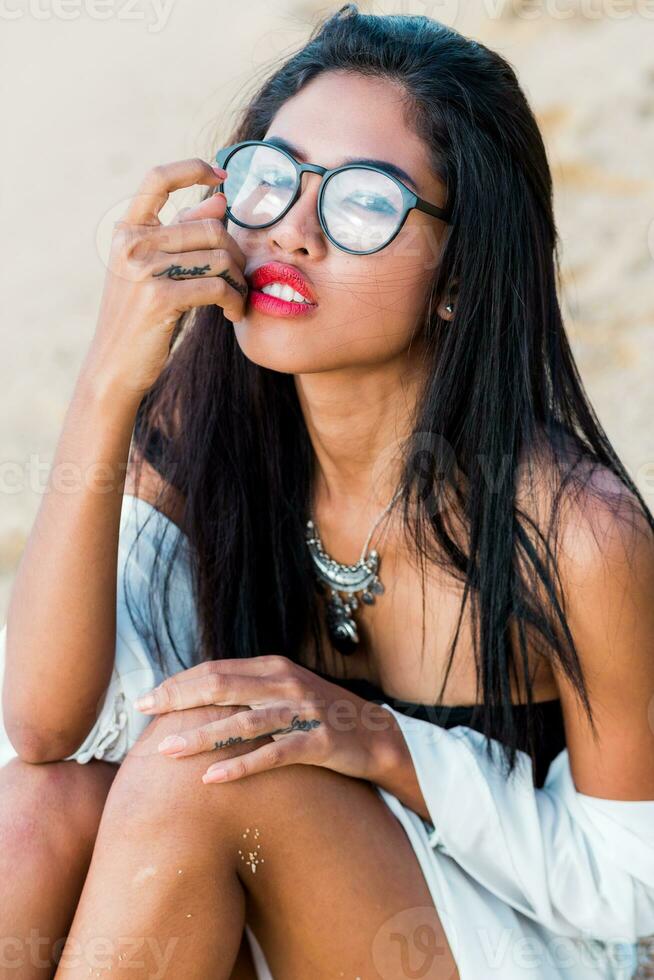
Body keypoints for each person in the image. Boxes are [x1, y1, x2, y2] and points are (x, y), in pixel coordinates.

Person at [1, 4, 653, 978]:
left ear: (459, 276)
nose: (294, 233)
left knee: (199, 765)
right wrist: (108, 381)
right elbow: (47, 726)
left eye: (363, 204)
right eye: (271, 179)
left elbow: (630, 884)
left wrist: (383, 744)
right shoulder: (210, 421)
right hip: (270, 895)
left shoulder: (577, 533)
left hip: (502, 941)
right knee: (39, 808)